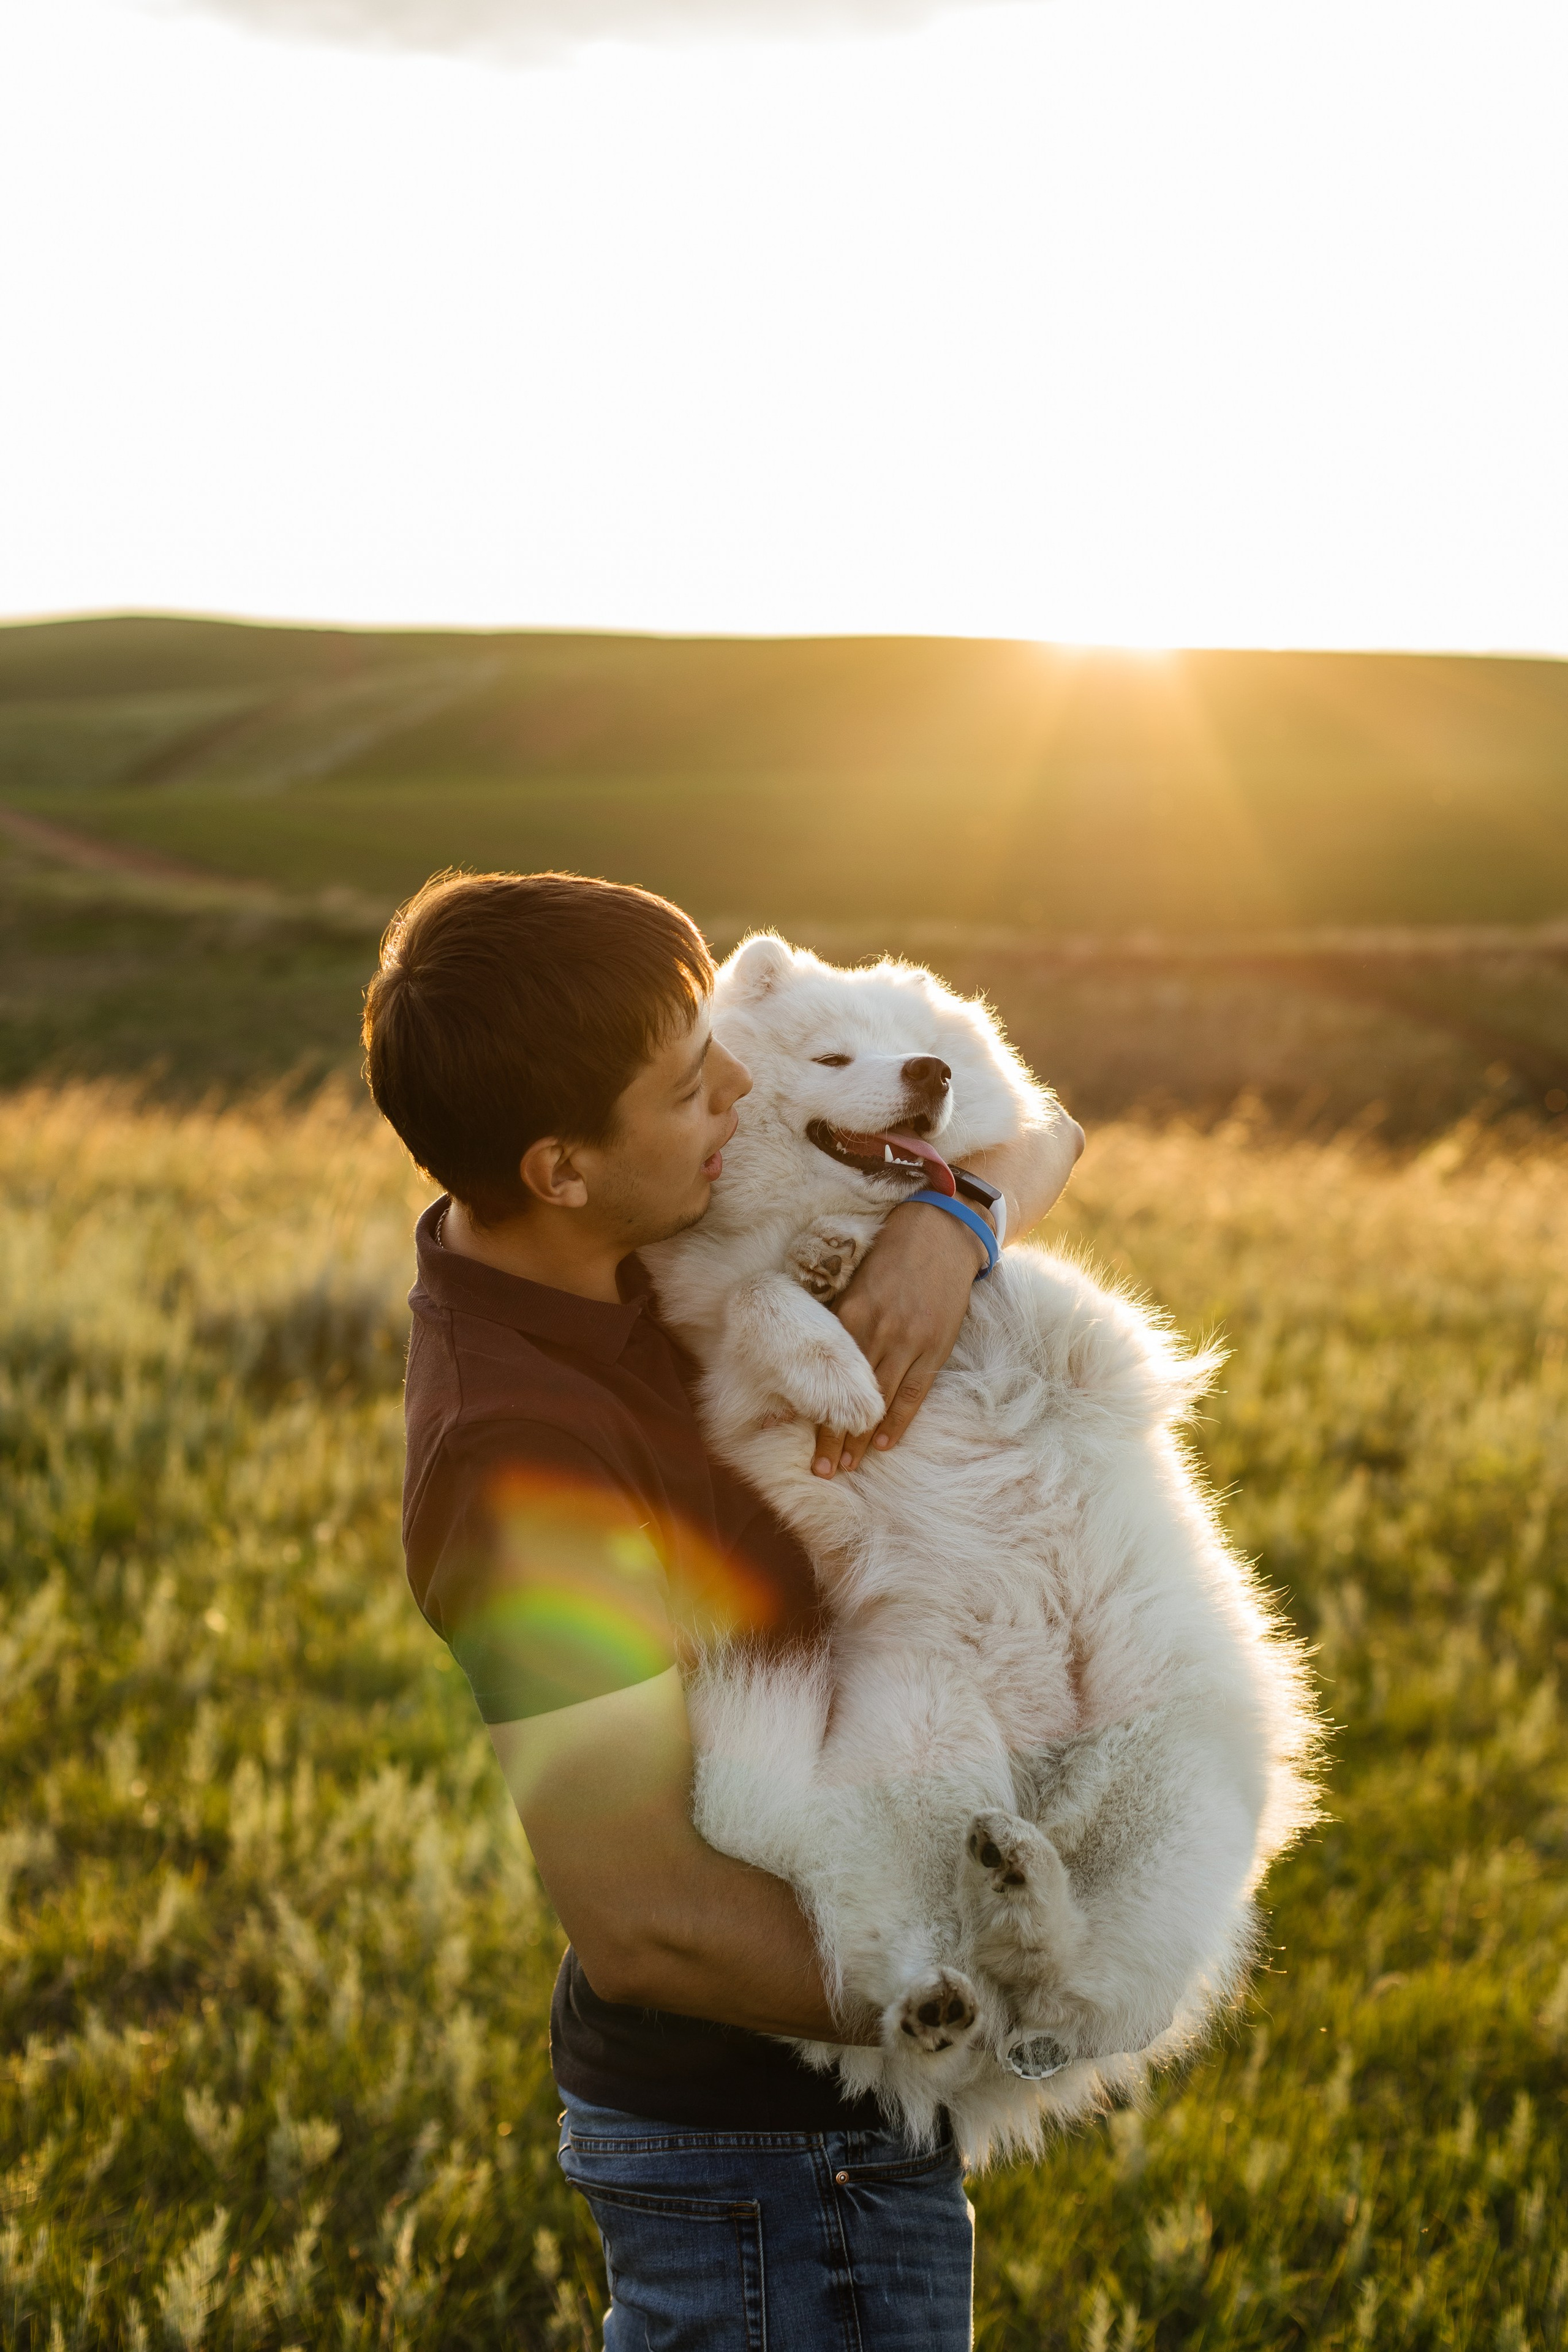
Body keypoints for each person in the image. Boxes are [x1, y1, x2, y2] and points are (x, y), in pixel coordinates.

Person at [362, 869, 1083, 2350]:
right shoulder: (519, 1467)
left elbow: (1048, 1129)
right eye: (694, 1085)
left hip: (817, 2124)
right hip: (765, 2158)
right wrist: (997, 2016)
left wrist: (948, 1223)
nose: (737, 1092)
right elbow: (644, 1924)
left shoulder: (621, 1248)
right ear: (559, 1166)